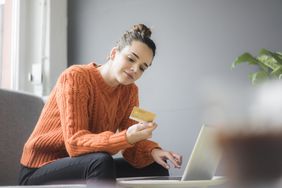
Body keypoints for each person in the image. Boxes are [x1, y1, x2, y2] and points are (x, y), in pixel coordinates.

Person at [18, 23, 182, 185]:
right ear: (113, 53)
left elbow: (131, 145)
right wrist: (126, 137)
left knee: (156, 167)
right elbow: (75, 143)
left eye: (142, 68)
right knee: (101, 161)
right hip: (39, 168)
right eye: (131, 59)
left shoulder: (130, 91)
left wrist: (153, 151)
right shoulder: (75, 77)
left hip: (86, 164)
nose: (135, 69)